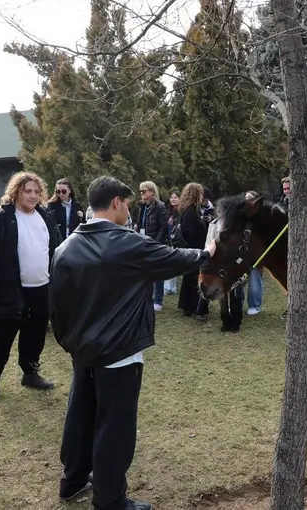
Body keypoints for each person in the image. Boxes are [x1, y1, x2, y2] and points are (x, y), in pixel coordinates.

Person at [50, 176, 217, 510]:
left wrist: (71, 342)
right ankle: (110, 499)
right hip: (120, 352)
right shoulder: (126, 243)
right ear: (115, 202)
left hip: (83, 351)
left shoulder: (65, 246)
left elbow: (56, 306)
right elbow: (173, 257)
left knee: (81, 414)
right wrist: (207, 253)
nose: (129, 208)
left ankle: (73, 479)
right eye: (126, 203)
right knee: (115, 426)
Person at [0, 171, 62, 401]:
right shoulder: (2, 218)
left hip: (41, 288)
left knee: (35, 334)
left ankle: (30, 372)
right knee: (3, 336)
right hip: (10, 290)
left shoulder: (45, 216)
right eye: (27, 191)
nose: (33, 195)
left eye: (36, 191)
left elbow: (55, 249)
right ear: (16, 192)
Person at [177, 182, 209, 320]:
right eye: (201, 194)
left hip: (193, 250)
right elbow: (188, 231)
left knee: (190, 278)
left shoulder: (190, 210)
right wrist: (195, 250)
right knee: (196, 279)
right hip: (194, 250)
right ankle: (196, 309)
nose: (202, 197)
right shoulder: (190, 211)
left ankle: (187, 307)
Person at [135, 181, 169, 311]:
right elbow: (139, 223)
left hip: (155, 242)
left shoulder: (160, 207)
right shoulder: (142, 206)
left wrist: (156, 242)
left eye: (144, 191)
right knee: (145, 271)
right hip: (143, 241)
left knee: (157, 272)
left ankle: (158, 300)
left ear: (152, 192)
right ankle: (147, 297)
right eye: (141, 191)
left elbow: (164, 226)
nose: (142, 194)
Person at [48, 178, 85, 242]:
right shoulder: (52, 205)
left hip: (74, 240)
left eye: (64, 191)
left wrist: (82, 217)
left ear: (70, 190)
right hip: (58, 241)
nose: (61, 194)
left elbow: (83, 225)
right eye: (58, 192)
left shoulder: (77, 205)